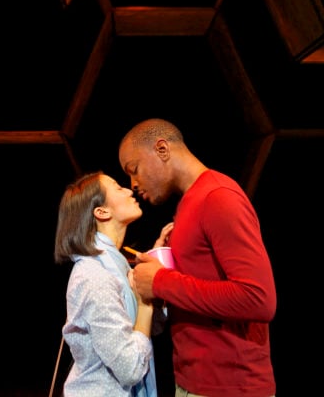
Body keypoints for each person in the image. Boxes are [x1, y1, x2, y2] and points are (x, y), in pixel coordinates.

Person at [118, 118, 277, 397]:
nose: (133, 184)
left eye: (135, 170)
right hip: (194, 382)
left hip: (230, 388)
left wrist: (161, 282)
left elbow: (259, 299)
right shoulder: (189, 203)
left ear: (162, 149)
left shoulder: (218, 197)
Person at [54, 170, 158, 397]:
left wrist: (157, 267)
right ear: (101, 212)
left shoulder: (116, 264)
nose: (129, 190)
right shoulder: (95, 275)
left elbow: (147, 329)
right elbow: (130, 368)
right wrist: (144, 305)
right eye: (118, 188)